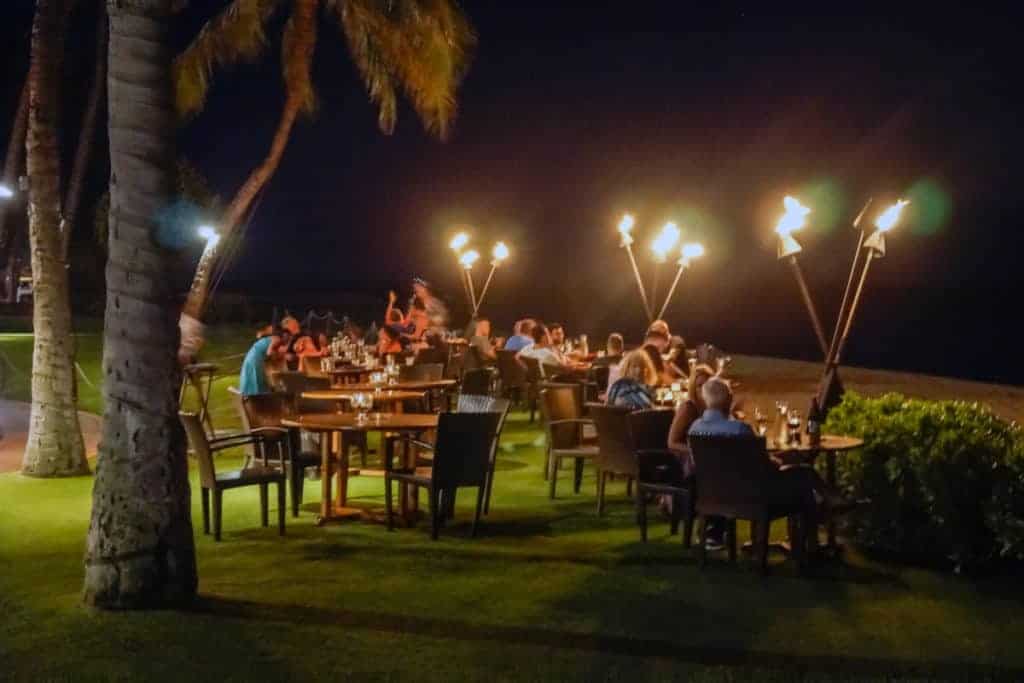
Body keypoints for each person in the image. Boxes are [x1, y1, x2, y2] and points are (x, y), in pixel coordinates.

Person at [239, 325, 286, 396]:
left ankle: (249, 393)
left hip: (251, 355)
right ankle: (258, 396)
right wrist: (278, 355)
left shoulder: (270, 338)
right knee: (257, 376)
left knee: (252, 374)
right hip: (256, 358)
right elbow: (269, 352)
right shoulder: (277, 339)